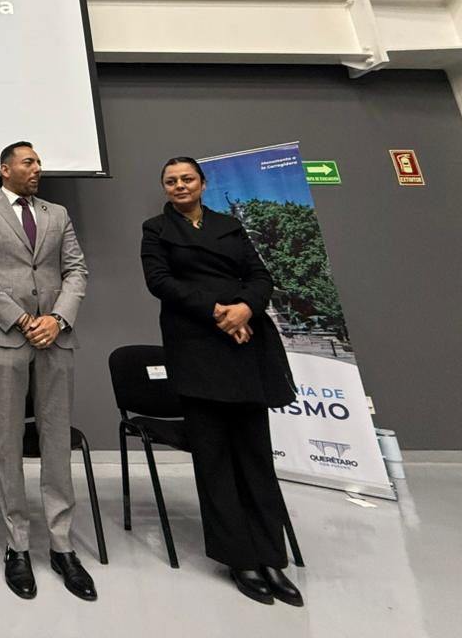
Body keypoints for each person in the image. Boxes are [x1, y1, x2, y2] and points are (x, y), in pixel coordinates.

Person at [140, 156, 302, 607]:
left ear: (203, 183)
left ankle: (271, 556)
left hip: (245, 343)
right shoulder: (156, 229)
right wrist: (218, 312)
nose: (179, 185)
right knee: (213, 458)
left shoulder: (229, 225)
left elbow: (260, 276)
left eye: (187, 178)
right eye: (171, 180)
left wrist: (245, 308)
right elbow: (160, 282)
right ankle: (239, 558)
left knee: (255, 455)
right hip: (196, 346)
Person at [0, 141, 95, 602]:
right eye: (29, 162)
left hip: (56, 338)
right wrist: (21, 319)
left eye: (39, 162)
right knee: (8, 441)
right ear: (6, 169)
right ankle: (17, 545)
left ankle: (61, 545)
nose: (38, 168)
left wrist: (57, 319)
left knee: (56, 440)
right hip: (7, 338)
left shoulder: (58, 214)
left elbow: (76, 270)